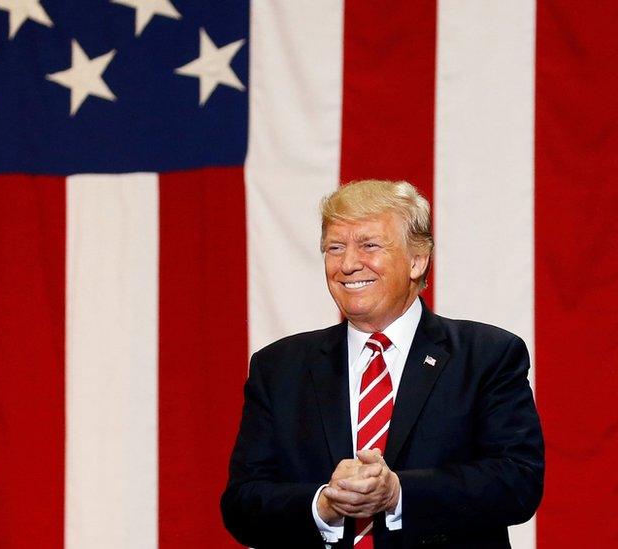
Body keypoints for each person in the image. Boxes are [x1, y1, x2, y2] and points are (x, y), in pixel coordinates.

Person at [221, 180, 544, 548]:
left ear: (417, 259)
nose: (347, 264)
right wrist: (323, 504)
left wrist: (398, 493)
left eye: (369, 245)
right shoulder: (278, 368)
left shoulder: (487, 356)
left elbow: (517, 482)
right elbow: (242, 504)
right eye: (335, 248)